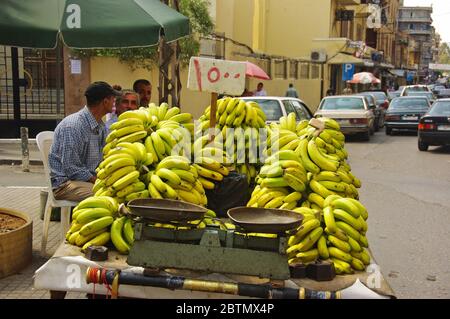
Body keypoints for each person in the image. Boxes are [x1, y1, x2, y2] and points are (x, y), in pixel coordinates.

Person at [49, 81, 121, 201]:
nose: (114, 102)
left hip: (85, 180)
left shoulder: (100, 126)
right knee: (109, 196)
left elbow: (103, 159)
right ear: (105, 101)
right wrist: (99, 181)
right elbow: (71, 168)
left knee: (119, 191)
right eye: (113, 98)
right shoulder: (73, 126)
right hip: (65, 184)